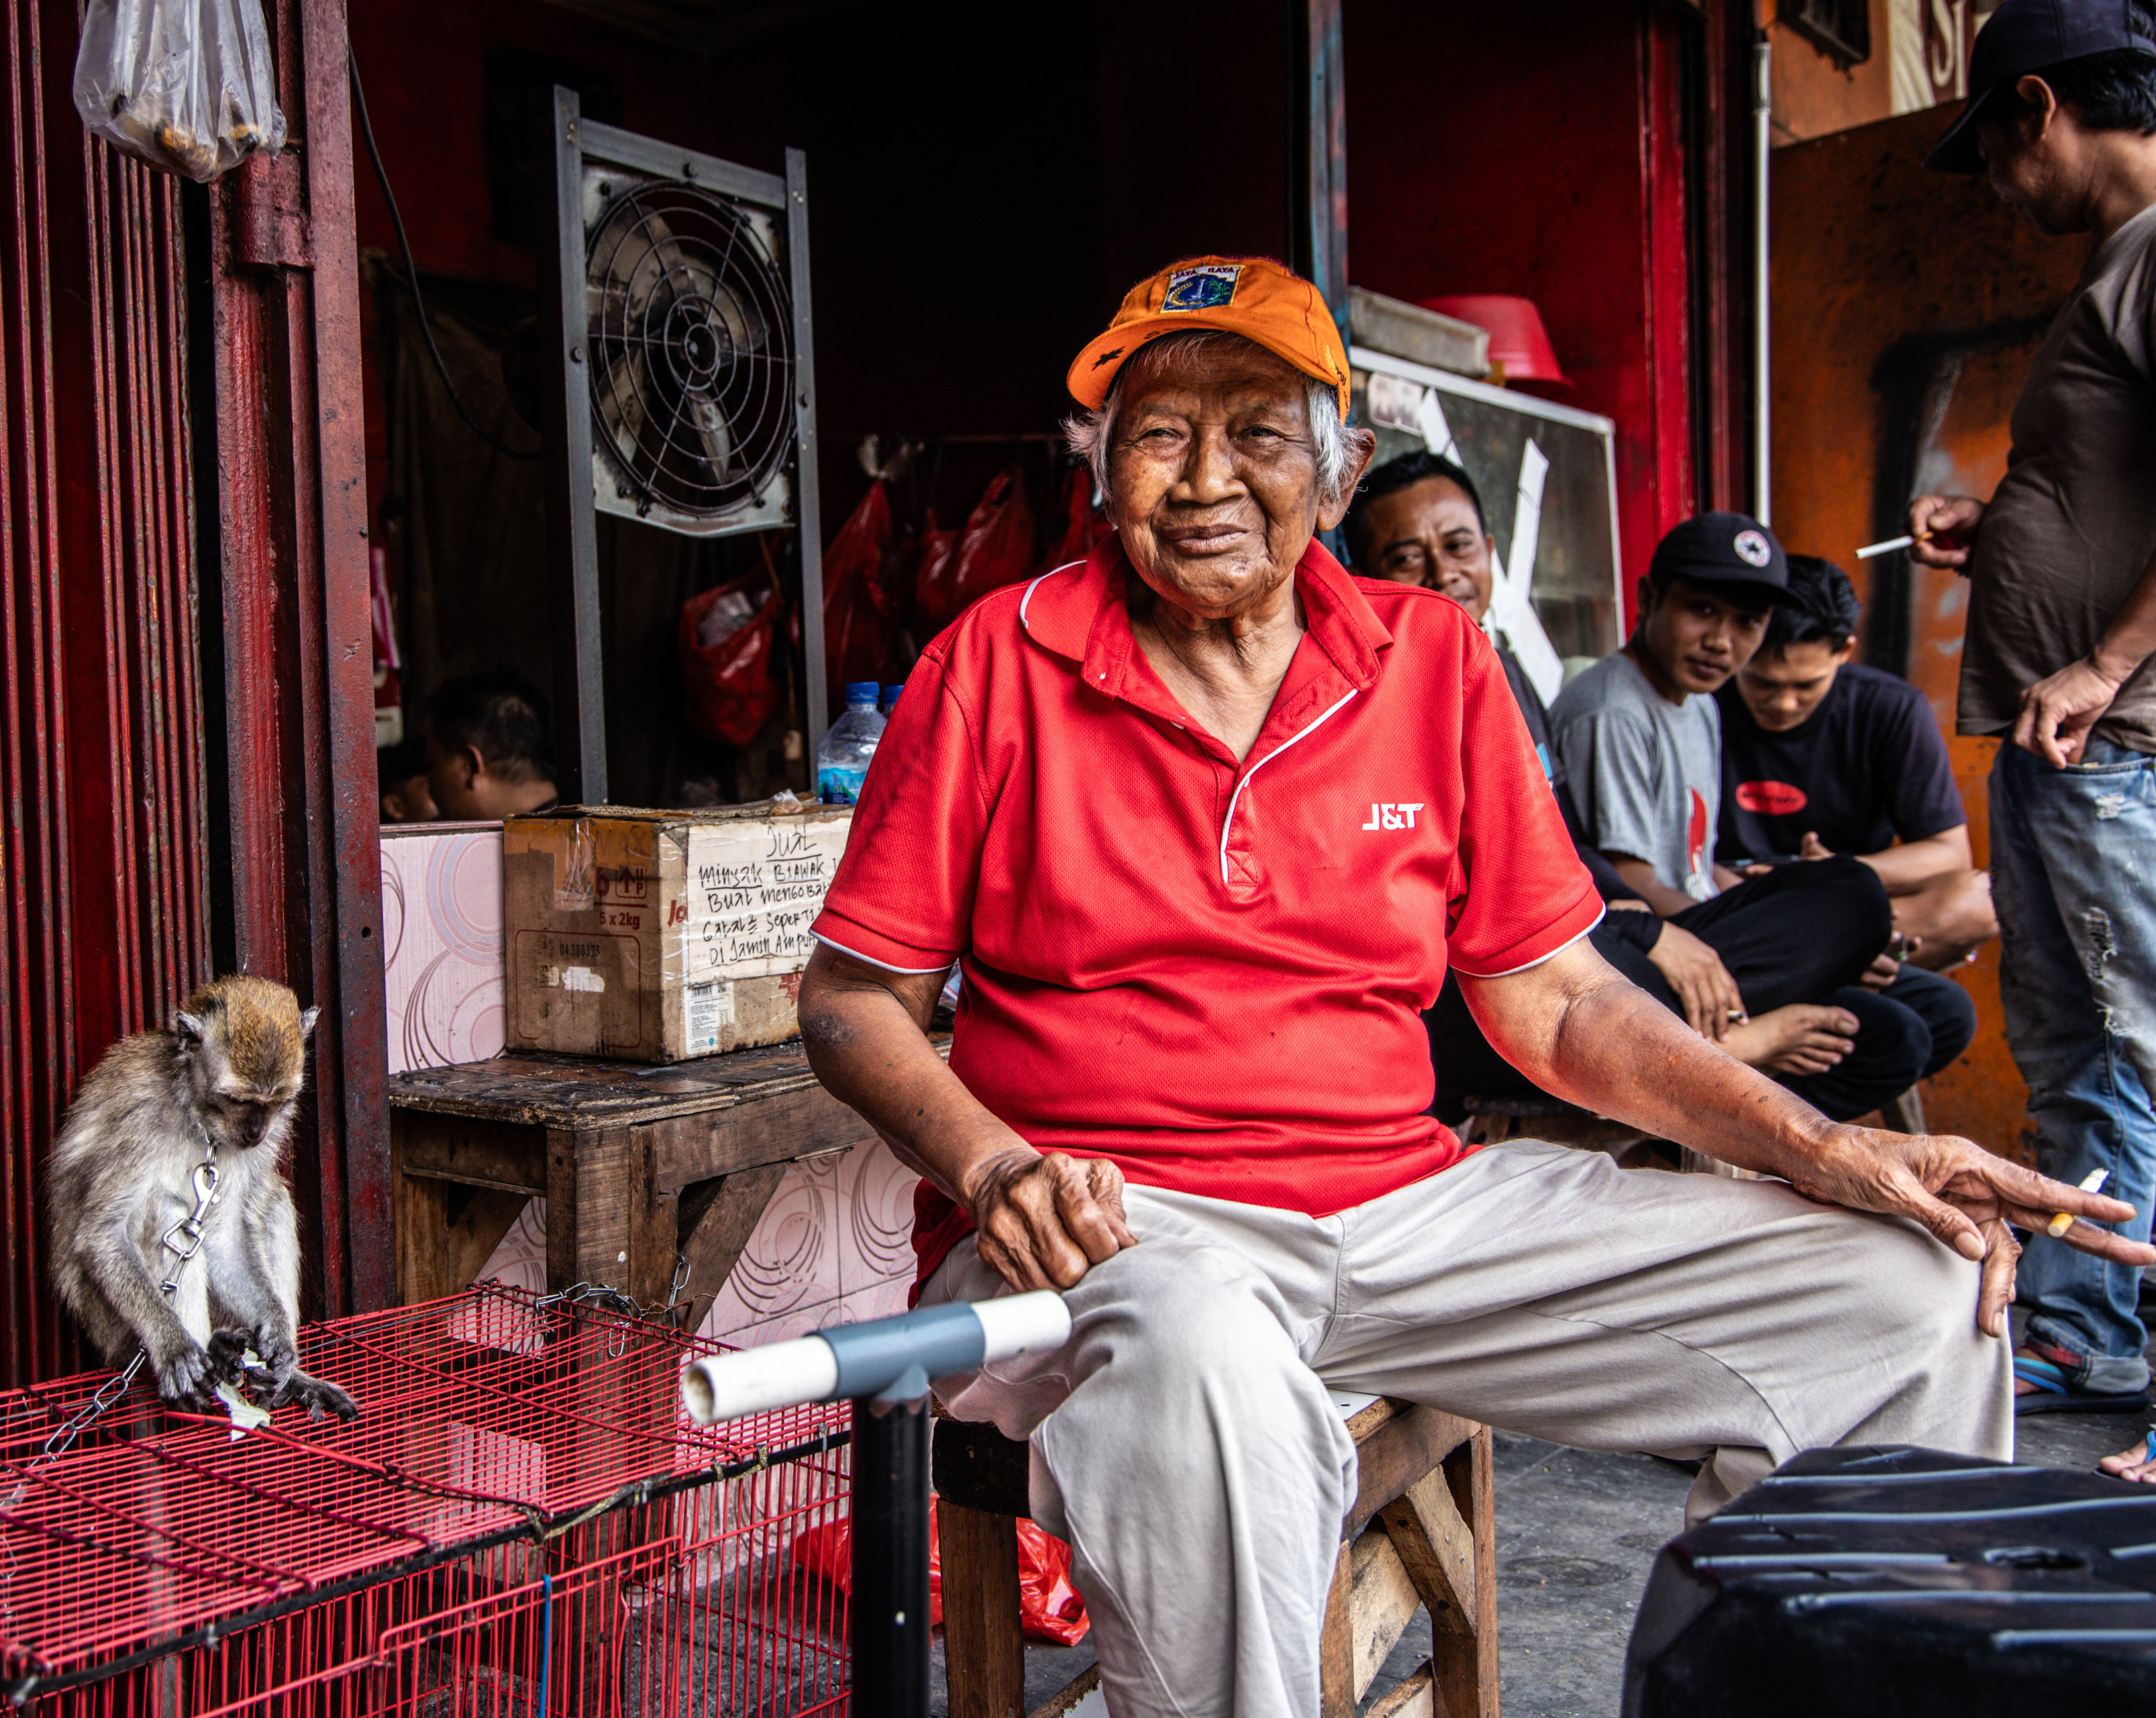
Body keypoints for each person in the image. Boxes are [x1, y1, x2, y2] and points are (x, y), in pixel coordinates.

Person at [797, 254, 2145, 1718]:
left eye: (1256, 430)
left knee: (1910, 1282)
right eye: (1156, 432)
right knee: (1201, 1358)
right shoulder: (994, 658)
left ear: (1338, 466)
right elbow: (851, 998)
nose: (1203, 479)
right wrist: (996, 1164)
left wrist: (1837, 1148)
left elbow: (1558, 1004)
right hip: (1114, 1230)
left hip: (1409, 1213)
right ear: (1101, 471)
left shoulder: (1431, 662)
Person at [1349, 457, 1907, 1121]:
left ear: (1491, 552)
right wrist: (1642, 931)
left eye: (1459, 545)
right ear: (1362, 577)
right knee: (1852, 903)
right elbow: (1472, 893)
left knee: (1891, 1019)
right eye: (1408, 556)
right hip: (1491, 989)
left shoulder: (1494, 668)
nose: (1445, 574)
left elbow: (1560, 844)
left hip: (1584, 943)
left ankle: (1698, 1053)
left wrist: (1646, 923)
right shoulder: (1374, 698)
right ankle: (1720, 1046)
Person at [1914, 0, 2156, 1448]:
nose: (2004, 194)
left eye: (1996, 158)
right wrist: (1996, 524)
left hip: (2115, 743)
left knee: (2144, 1053)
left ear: (2039, 109)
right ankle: (2091, 1327)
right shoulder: (2120, 271)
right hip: (2069, 758)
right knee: (2075, 1055)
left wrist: (2102, 665)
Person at [1546, 513, 1960, 1121]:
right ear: (1648, 598)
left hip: (1704, 930)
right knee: (1865, 939)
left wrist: (1782, 915)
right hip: (1649, 955)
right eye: (1703, 610)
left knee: (1940, 1010)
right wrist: (1800, 941)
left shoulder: (1704, 703)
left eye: (1748, 622)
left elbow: (1694, 863)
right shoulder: (1612, 709)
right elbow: (1629, 878)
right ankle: (1722, 1109)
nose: (1723, 640)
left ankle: (1736, 1084)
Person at [1721, 554, 1999, 970]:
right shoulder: (1700, 702)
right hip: (1725, 905)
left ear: (1845, 650)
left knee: (1982, 901)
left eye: (1806, 686)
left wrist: (1835, 872)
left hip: (1838, 905)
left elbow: (1949, 854)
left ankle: (1811, 967)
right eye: (1761, 682)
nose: (1782, 704)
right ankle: (1833, 969)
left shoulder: (1892, 708)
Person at [378, 670, 561, 823]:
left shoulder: (534, 852)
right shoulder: (582, 829)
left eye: (433, 766)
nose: (432, 788)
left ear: (469, 766)